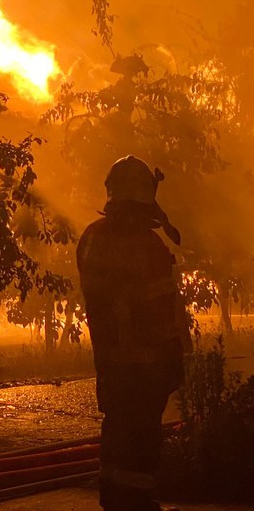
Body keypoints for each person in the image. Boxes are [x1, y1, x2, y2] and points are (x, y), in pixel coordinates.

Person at [77, 156, 191, 511]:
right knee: (142, 439)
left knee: (116, 433)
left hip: (110, 364)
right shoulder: (146, 246)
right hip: (147, 366)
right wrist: (175, 357)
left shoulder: (91, 238)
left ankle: (114, 499)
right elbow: (160, 309)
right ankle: (138, 503)